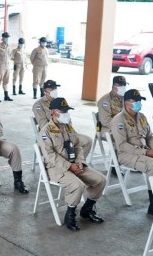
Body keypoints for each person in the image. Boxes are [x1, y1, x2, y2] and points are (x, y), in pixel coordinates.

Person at [39, 98, 106, 231]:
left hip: (74, 164)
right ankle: (70, 214)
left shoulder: (68, 126)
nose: (65, 113)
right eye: (62, 111)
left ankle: (87, 210)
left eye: (66, 111)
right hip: (56, 168)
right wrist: (69, 166)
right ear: (53, 112)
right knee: (77, 185)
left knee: (100, 180)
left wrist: (80, 162)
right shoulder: (45, 132)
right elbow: (50, 156)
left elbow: (77, 146)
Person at [110, 89, 153, 216]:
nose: (138, 103)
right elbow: (122, 145)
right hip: (126, 155)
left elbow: (150, 136)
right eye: (135, 101)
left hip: (144, 152)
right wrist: (146, 152)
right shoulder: (119, 120)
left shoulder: (142, 117)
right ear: (126, 102)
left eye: (139, 101)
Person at [32, 80, 92, 158]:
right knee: (62, 146)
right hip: (53, 134)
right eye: (51, 88)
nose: (54, 90)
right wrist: (59, 128)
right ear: (44, 90)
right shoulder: (39, 105)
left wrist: (69, 131)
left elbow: (68, 120)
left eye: (55, 88)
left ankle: (78, 163)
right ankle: (68, 165)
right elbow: (43, 125)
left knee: (87, 141)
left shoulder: (60, 101)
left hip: (67, 132)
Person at [0, 32, 12, 103]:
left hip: (7, 66)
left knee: (6, 81)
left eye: (7, 38)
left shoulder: (9, 46)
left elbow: (10, 55)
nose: (7, 39)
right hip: (1, 66)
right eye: (5, 37)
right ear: (2, 38)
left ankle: (6, 96)